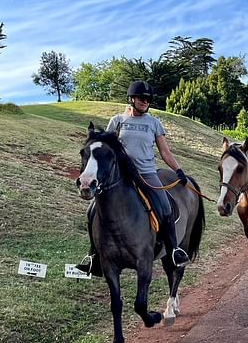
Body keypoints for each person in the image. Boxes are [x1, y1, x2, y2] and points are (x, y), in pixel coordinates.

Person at [77, 80, 192, 275]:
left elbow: (165, 152)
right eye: (141, 98)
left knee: (165, 207)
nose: (145, 101)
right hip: (121, 176)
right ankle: (93, 256)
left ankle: (174, 250)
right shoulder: (117, 121)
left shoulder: (154, 123)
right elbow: (105, 147)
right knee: (92, 211)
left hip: (147, 173)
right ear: (131, 99)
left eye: (147, 99)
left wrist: (178, 170)